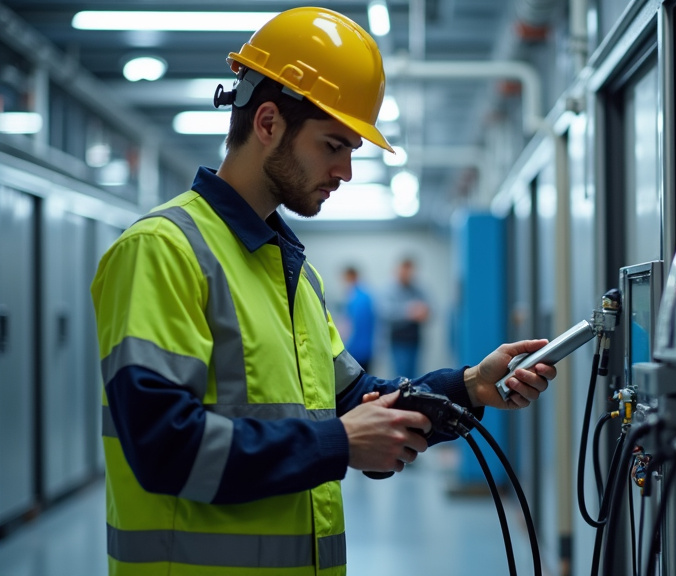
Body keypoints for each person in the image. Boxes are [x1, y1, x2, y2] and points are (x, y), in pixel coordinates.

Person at [89, 8, 555, 576]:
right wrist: (337, 444)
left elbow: (358, 400)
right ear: (267, 123)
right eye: (334, 145)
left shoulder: (290, 270)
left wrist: (471, 386)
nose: (347, 171)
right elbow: (162, 447)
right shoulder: (163, 251)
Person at [381, 256, 430, 377]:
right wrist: (409, 311)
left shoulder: (418, 290)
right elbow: (385, 312)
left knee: (415, 376)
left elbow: (430, 309)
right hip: (398, 340)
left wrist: (424, 311)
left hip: (415, 339)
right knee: (401, 376)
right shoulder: (390, 290)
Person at [336, 265, 376, 373]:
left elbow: (352, 327)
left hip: (356, 350)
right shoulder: (366, 296)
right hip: (366, 349)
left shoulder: (355, 299)